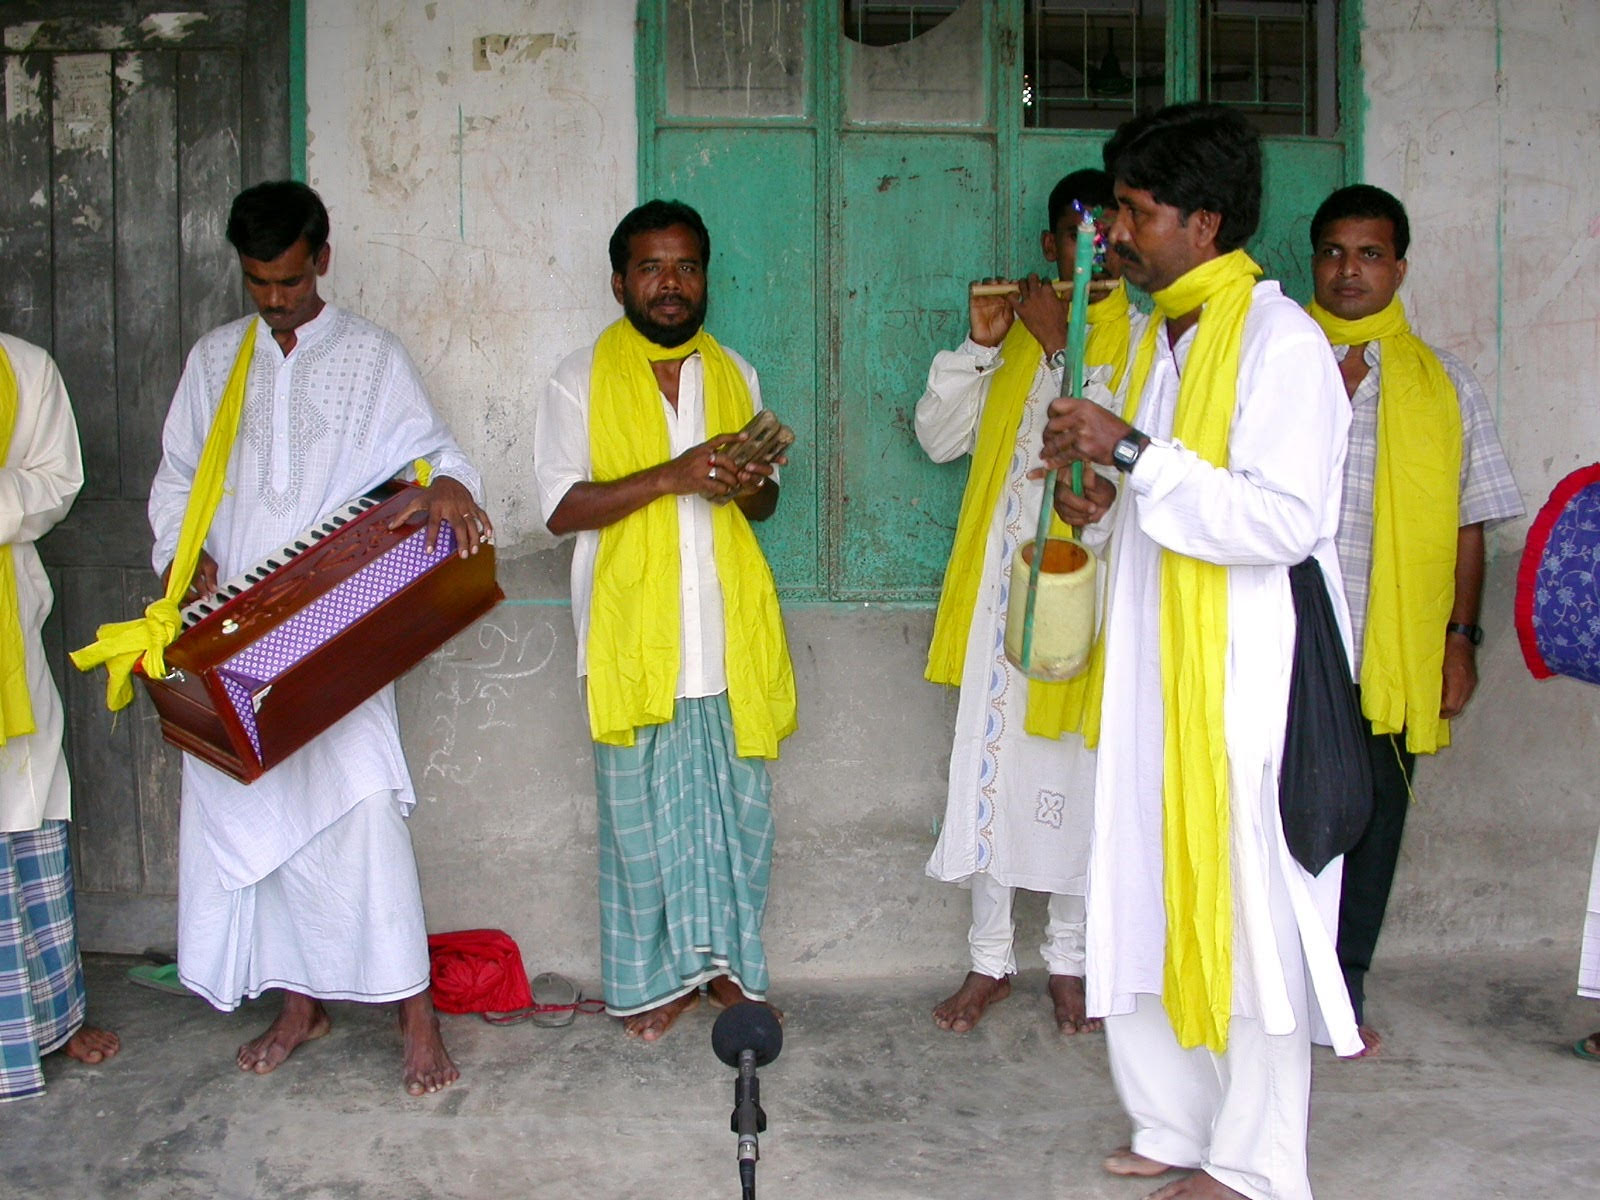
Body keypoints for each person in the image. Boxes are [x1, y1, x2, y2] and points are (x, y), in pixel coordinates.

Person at [1043, 104, 1360, 1200]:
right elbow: (1158, 496)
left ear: (1205, 222)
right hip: (1148, 676)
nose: (1117, 234)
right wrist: (1094, 495)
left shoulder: (1283, 344)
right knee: (1138, 882)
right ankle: (1173, 1124)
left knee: (1252, 914)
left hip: (1243, 686)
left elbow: (1279, 521)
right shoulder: (1154, 339)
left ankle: (1256, 1162)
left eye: (1136, 212)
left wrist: (1125, 447)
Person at [142, 181, 490, 1095]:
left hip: (336, 630)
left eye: (289, 280)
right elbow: (178, 478)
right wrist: (193, 558)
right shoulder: (215, 361)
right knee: (261, 823)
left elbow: (433, 455)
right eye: (258, 282)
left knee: (364, 810)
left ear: (322, 260)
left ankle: (416, 1014)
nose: (273, 298)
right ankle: (299, 1002)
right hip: (236, 632)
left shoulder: (372, 358)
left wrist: (449, 482)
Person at [534, 200, 795, 1041]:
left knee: (735, 821)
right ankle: (660, 984)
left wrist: (747, 479)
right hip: (630, 647)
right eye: (651, 268)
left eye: (686, 266)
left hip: (726, 641)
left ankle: (725, 975)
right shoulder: (576, 380)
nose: (671, 284)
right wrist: (676, 474)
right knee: (642, 834)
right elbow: (563, 509)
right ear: (620, 281)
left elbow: (763, 508)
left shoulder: (738, 374)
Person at [917, 169, 1139, 1035]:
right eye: (1076, 238)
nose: (1096, 252)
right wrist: (982, 345)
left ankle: (1072, 964)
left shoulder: (1144, 341)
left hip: (1093, 600)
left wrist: (1056, 348)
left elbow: (1109, 456)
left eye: (1111, 237)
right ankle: (989, 961)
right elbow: (938, 439)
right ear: (1049, 247)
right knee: (993, 770)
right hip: (1000, 607)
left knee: (1083, 776)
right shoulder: (1014, 336)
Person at [1307, 184, 1524, 1057]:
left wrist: (1460, 641)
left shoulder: (1442, 385)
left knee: (1373, 824)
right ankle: (1270, 989)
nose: (1348, 269)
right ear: (1313, 260)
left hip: (1394, 650)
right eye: (1332, 251)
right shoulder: (1277, 368)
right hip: (1286, 645)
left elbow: (1470, 525)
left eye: (1368, 254)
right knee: (1273, 823)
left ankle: (1342, 987)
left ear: (1399, 266)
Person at [0, 333, 119, 1103]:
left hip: (6, 624)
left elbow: (55, 482)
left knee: (24, 809)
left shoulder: (22, 367)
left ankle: (46, 1019)